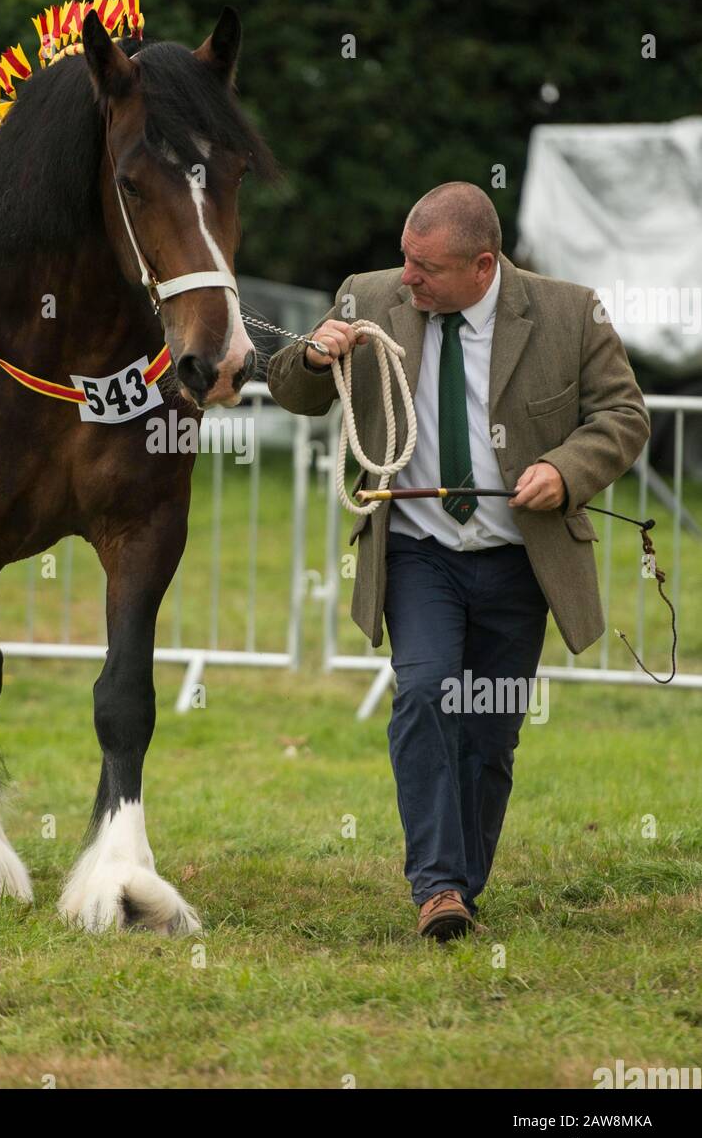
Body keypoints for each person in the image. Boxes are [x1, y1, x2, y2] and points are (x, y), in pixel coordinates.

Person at [267, 182, 650, 940]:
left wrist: (566, 470)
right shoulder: (366, 297)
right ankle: (436, 888)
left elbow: (623, 414)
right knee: (425, 694)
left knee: (488, 730)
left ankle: (462, 887)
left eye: (425, 269)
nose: (406, 279)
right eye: (404, 260)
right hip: (416, 550)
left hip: (518, 562)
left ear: (482, 266)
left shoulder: (570, 311)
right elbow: (294, 390)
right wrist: (312, 357)